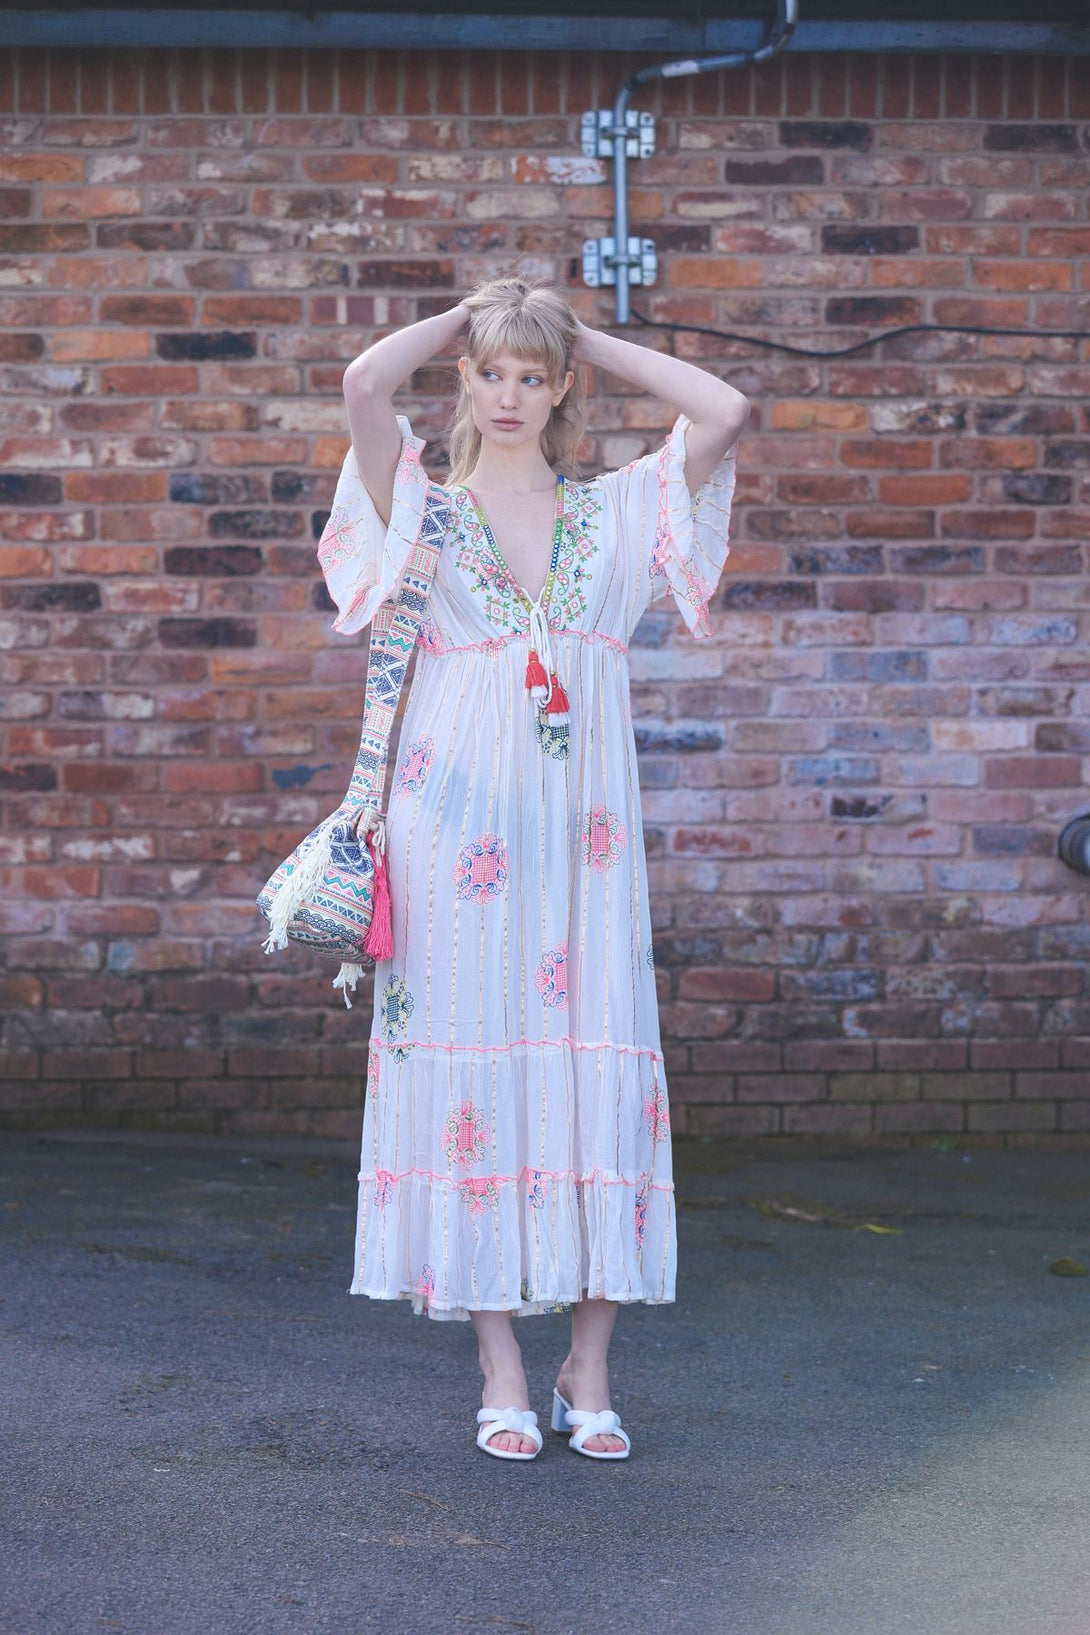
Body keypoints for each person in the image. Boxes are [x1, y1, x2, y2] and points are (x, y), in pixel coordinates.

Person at [317, 272, 748, 1461]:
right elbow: (363, 381)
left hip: (584, 843)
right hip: (449, 835)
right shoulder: (419, 503)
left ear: (561, 389)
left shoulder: (617, 512)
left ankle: (587, 1368)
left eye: (531, 375)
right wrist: (475, 315)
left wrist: (578, 334)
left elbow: (722, 410)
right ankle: (501, 1364)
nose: (506, 394)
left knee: (595, 1071)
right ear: (464, 377)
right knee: (473, 1084)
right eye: (489, 371)